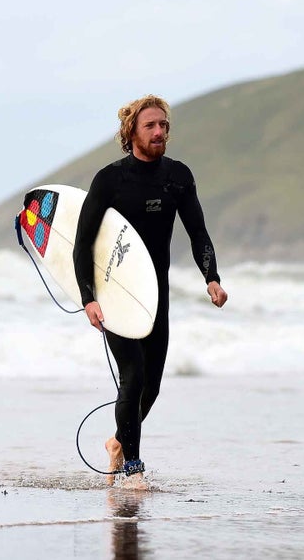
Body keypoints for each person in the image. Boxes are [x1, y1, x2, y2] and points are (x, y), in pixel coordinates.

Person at [73, 94, 228, 489]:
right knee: (134, 375)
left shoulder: (177, 176)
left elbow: (198, 232)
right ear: (132, 132)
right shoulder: (110, 180)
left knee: (153, 384)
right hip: (114, 295)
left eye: (164, 125)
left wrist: (212, 276)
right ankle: (133, 468)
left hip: (156, 295)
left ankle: (117, 444)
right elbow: (82, 243)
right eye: (151, 126)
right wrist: (88, 296)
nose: (159, 132)